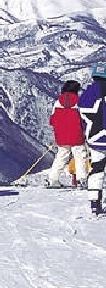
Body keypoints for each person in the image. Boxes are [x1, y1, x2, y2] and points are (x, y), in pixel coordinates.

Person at [46, 80, 87, 189]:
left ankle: (53, 179)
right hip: (77, 134)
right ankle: (81, 180)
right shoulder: (80, 102)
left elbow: (52, 120)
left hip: (61, 135)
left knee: (61, 156)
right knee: (80, 156)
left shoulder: (57, 102)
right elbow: (84, 119)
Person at [79, 62, 106, 215]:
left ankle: (94, 202)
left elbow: (82, 118)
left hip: (95, 140)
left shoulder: (87, 94)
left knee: (96, 169)